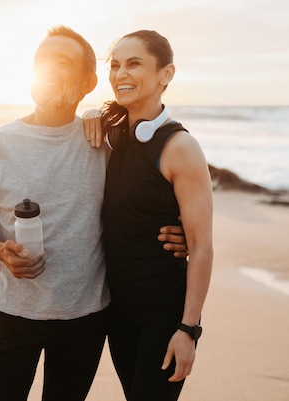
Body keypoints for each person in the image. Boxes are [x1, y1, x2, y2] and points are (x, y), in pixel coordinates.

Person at [0, 25, 188, 401]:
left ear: (87, 81)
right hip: (11, 315)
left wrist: (182, 232)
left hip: (86, 319)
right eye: (40, 63)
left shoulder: (107, 143)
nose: (47, 71)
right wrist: (1, 251)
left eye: (61, 63)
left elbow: (156, 192)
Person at [98, 30, 213, 401]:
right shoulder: (111, 138)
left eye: (134, 64)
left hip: (163, 316)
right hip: (118, 313)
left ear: (166, 74)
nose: (120, 74)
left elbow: (201, 245)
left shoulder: (180, 147)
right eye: (114, 65)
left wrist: (188, 329)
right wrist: (90, 115)